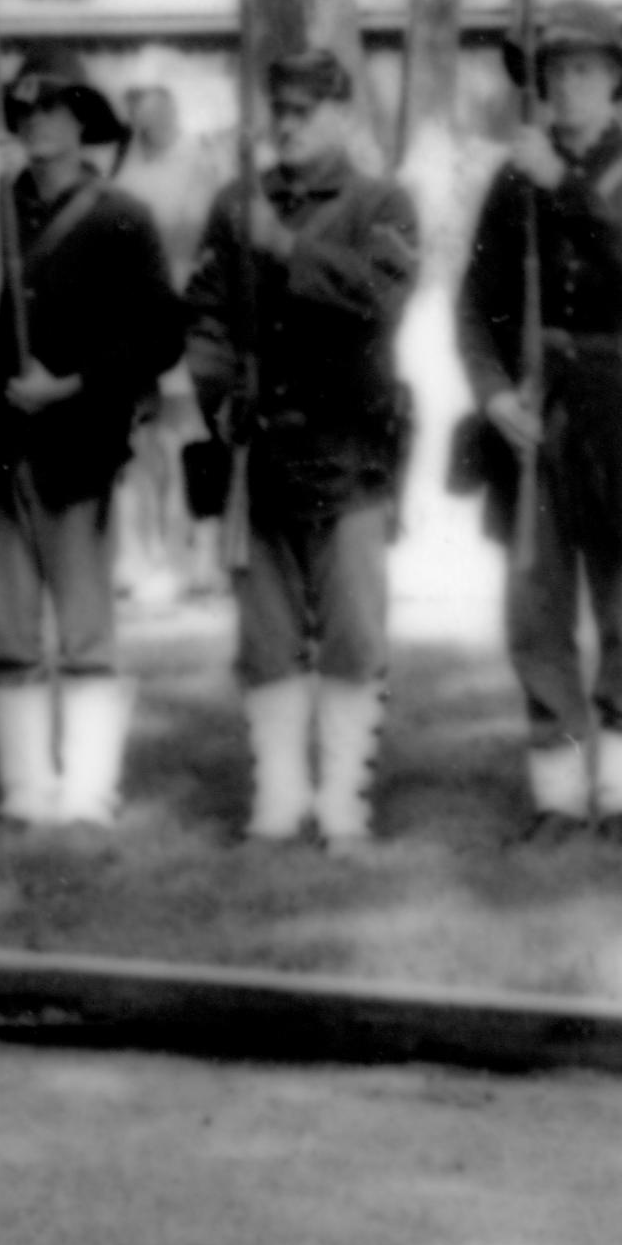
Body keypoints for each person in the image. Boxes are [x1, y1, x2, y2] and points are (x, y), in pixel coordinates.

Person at [456, 0, 622, 847]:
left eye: (585, 69)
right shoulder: (514, 176)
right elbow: (475, 305)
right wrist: (492, 394)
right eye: (554, 71)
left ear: (616, 82)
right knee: (536, 604)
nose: (566, 85)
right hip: (533, 408)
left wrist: (567, 189)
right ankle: (557, 793)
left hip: (617, 405)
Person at [184, 48, 421, 849]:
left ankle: (344, 798)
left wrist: (285, 248)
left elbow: (379, 299)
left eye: (305, 110)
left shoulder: (383, 202)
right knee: (267, 633)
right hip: (260, 450)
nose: (285, 124)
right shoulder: (234, 203)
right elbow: (208, 315)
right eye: (278, 109)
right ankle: (281, 796)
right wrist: (217, 398)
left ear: (344, 117)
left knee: (353, 630)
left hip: (350, 442)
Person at [0, 47, 181, 830]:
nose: (37, 124)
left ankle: (87, 788)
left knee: (85, 627)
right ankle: (25, 786)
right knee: (6, 624)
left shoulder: (123, 218)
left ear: (84, 121)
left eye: (54, 109)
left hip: (78, 445)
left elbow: (158, 336)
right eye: (25, 111)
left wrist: (75, 383)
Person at [113, 71, 228, 604]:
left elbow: (201, 237)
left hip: (185, 314)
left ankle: (197, 554)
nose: (141, 111)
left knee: (186, 435)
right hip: (134, 315)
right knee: (141, 439)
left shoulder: (201, 160)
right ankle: (144, 553)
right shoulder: (124, 163)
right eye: (133, 101)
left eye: (149, 98)